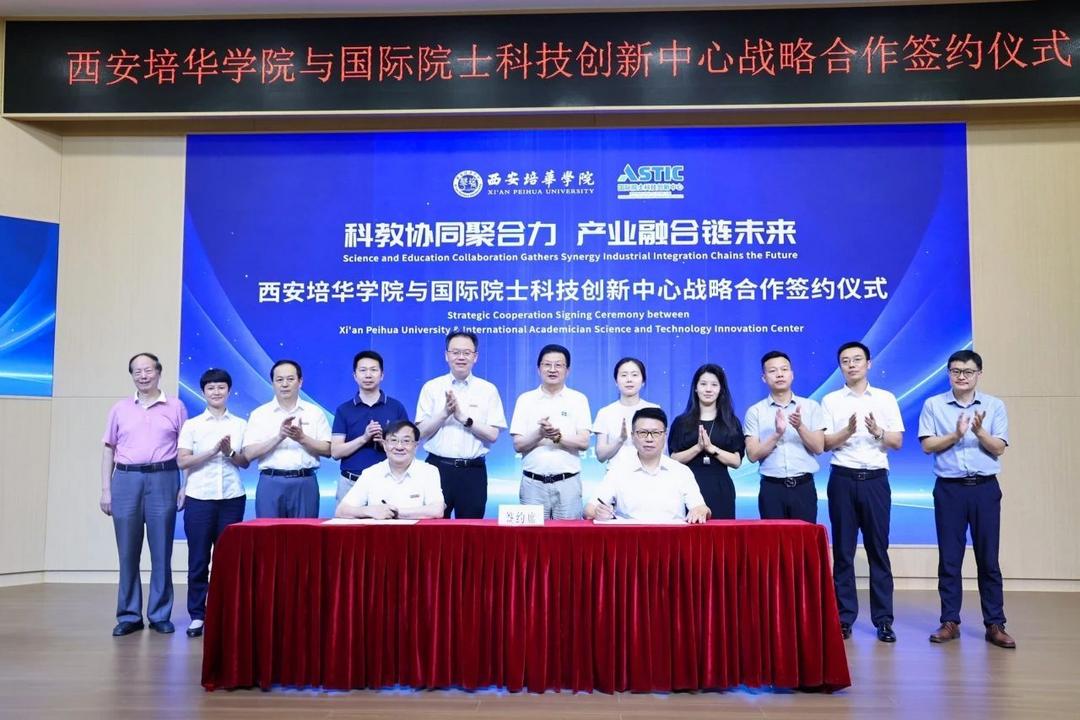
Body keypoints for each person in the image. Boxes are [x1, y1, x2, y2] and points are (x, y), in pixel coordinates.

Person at [918, 350, 1014, 649]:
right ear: (948, 373)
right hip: (949, 489)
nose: (961, 376)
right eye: (956, 371)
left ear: (978, 374)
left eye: (968, 371)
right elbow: (927, 445)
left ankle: (995, 623)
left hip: (984, 488)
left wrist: (979, 431)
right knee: (950, 558)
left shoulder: (994, 405)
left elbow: (999, 447)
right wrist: (956, 435)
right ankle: (950, 621)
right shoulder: (933, 404)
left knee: (988, 559)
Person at [100, 352, 188, 636]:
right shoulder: (120, 408)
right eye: (137, 371)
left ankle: (160, 614)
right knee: (127, 551)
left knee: (162, 550)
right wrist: (106, 489)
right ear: (132, 376)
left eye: (148, 370)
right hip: (126, 479)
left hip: (164, 478)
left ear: (159, 372)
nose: (143, 375)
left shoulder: (176, 406)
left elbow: (186, 449)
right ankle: (129, 615)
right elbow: (108, 449)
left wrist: (185, 485)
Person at [822, 341, 904, 643]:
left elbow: (897, 442)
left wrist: (877, 432)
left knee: (878, 551)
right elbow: (824, 444)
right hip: (842, 479)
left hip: (875, 481)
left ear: (868, 363)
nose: (851, 365)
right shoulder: (830, 400)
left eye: (857, 359)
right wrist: (846, 432)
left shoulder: (885, 398)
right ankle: (844, 619)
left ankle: (883, 620)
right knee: (843, 552)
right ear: (840, 366)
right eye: (845, 360)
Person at [176, 367, 249, 638]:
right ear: (203, 392)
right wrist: (212, 451)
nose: (216, 392)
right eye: (211, 388)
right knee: (198, 559)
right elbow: (182, 460)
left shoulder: (240, 424)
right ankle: (197, 615)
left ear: (229, 391)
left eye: (221, 387)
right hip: (199, 498)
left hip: (232, 498)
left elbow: (245, 462)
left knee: (227, 560)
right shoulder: (192, 425)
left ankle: (225, 612)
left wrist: (229, 452)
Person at [416, 331, 506, 518]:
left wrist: (463, 418)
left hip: (473, 471)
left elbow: (493, 435)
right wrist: (444, 413)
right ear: (446, 355)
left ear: (475, 357)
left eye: (466, 353)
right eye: (455, 352)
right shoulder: (431, 387)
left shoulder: (488, 390)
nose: (461, 357)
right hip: (436, 468)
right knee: (433, 528)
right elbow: (420, 432)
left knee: (471, 530)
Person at [510, 343, 592, 519]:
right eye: (547, 364)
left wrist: (558, 436)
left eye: (558, 365)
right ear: (538, 369)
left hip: (568, 483)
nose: (552, 369)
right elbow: (518, 444)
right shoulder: (525, 400)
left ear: (567, 370)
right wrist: (540, 433)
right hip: (533, 485)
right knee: (532, 536)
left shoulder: (578, 399)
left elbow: (584, 442)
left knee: (569, 536)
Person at [585, 407, 710, 523]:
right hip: (630, 537)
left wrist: (701, 511)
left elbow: (702, 508)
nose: (649, 439)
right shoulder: (618, 471)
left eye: (656, 433)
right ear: (633, 436)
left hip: (672, 537)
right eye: (642, 433)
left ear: (665, 435)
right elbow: (588, 510)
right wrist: (598, 512)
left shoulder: (681, 471)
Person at [744, 351, 826, 523]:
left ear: (792, 374)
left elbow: (819, 448)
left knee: (804, 539)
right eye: (773, 371)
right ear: (764, 378)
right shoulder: (755, 411)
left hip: (804, 487)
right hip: (771, 489)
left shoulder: (811, 407)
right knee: (772, 539)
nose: (779, 374)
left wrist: (800, 426)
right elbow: (752, 455)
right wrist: (777, 434)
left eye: (784, 369)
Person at [243, 359, 331, 518]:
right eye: (279, 380)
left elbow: (328, 450)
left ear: (300, 382)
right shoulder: (259, 414)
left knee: (305, 533)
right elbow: (248, 454)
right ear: (272, 383)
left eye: (290, 379)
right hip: (270, 482)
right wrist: (279, 437)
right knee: (268, 533)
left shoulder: (314, 412)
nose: (285, 384)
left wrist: (302, 438)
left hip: (305, 482)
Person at [330, 350, 408, 504]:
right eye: (363, 370)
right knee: (346, 520)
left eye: (373, 370)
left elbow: (407, 449)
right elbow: (336, 452)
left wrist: (384, 443)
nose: (368, 375)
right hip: (351, 483)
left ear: (382, 375)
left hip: (388, 483)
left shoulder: (396, 407)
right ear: (355, 376)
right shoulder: (344, 410)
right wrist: (364, 438)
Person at [668, 363, 745, 519]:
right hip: (688, 487)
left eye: (714, 385)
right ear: (696, 388)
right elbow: (673, 459)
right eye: (703, 384)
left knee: (722, 532)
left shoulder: (731, 422)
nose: (708, 389)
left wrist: (712, 449)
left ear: (721, 389)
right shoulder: (681, 422)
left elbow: (736, 462)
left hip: (721, 487)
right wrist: (698, 448)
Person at [335, 420, 446, 519]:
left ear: (416, 446)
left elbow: (437, 510)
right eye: (393, 440)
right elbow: (341, 511)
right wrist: (369, 511)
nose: (399, 447)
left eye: (406, 441)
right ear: (384, 445)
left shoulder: (429, 472)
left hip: (416, 534)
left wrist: (394, 513)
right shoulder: (371, 473)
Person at [591, 357, 659, 463]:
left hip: (647, 471)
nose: (629, 379)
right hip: (616, 471)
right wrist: (620, 440)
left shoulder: (654, 410)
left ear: (643, 381)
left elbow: (661, 451)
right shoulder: (605, 413)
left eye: (634, 375)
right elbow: (601, 456)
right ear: (616, 381)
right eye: (624, 375)